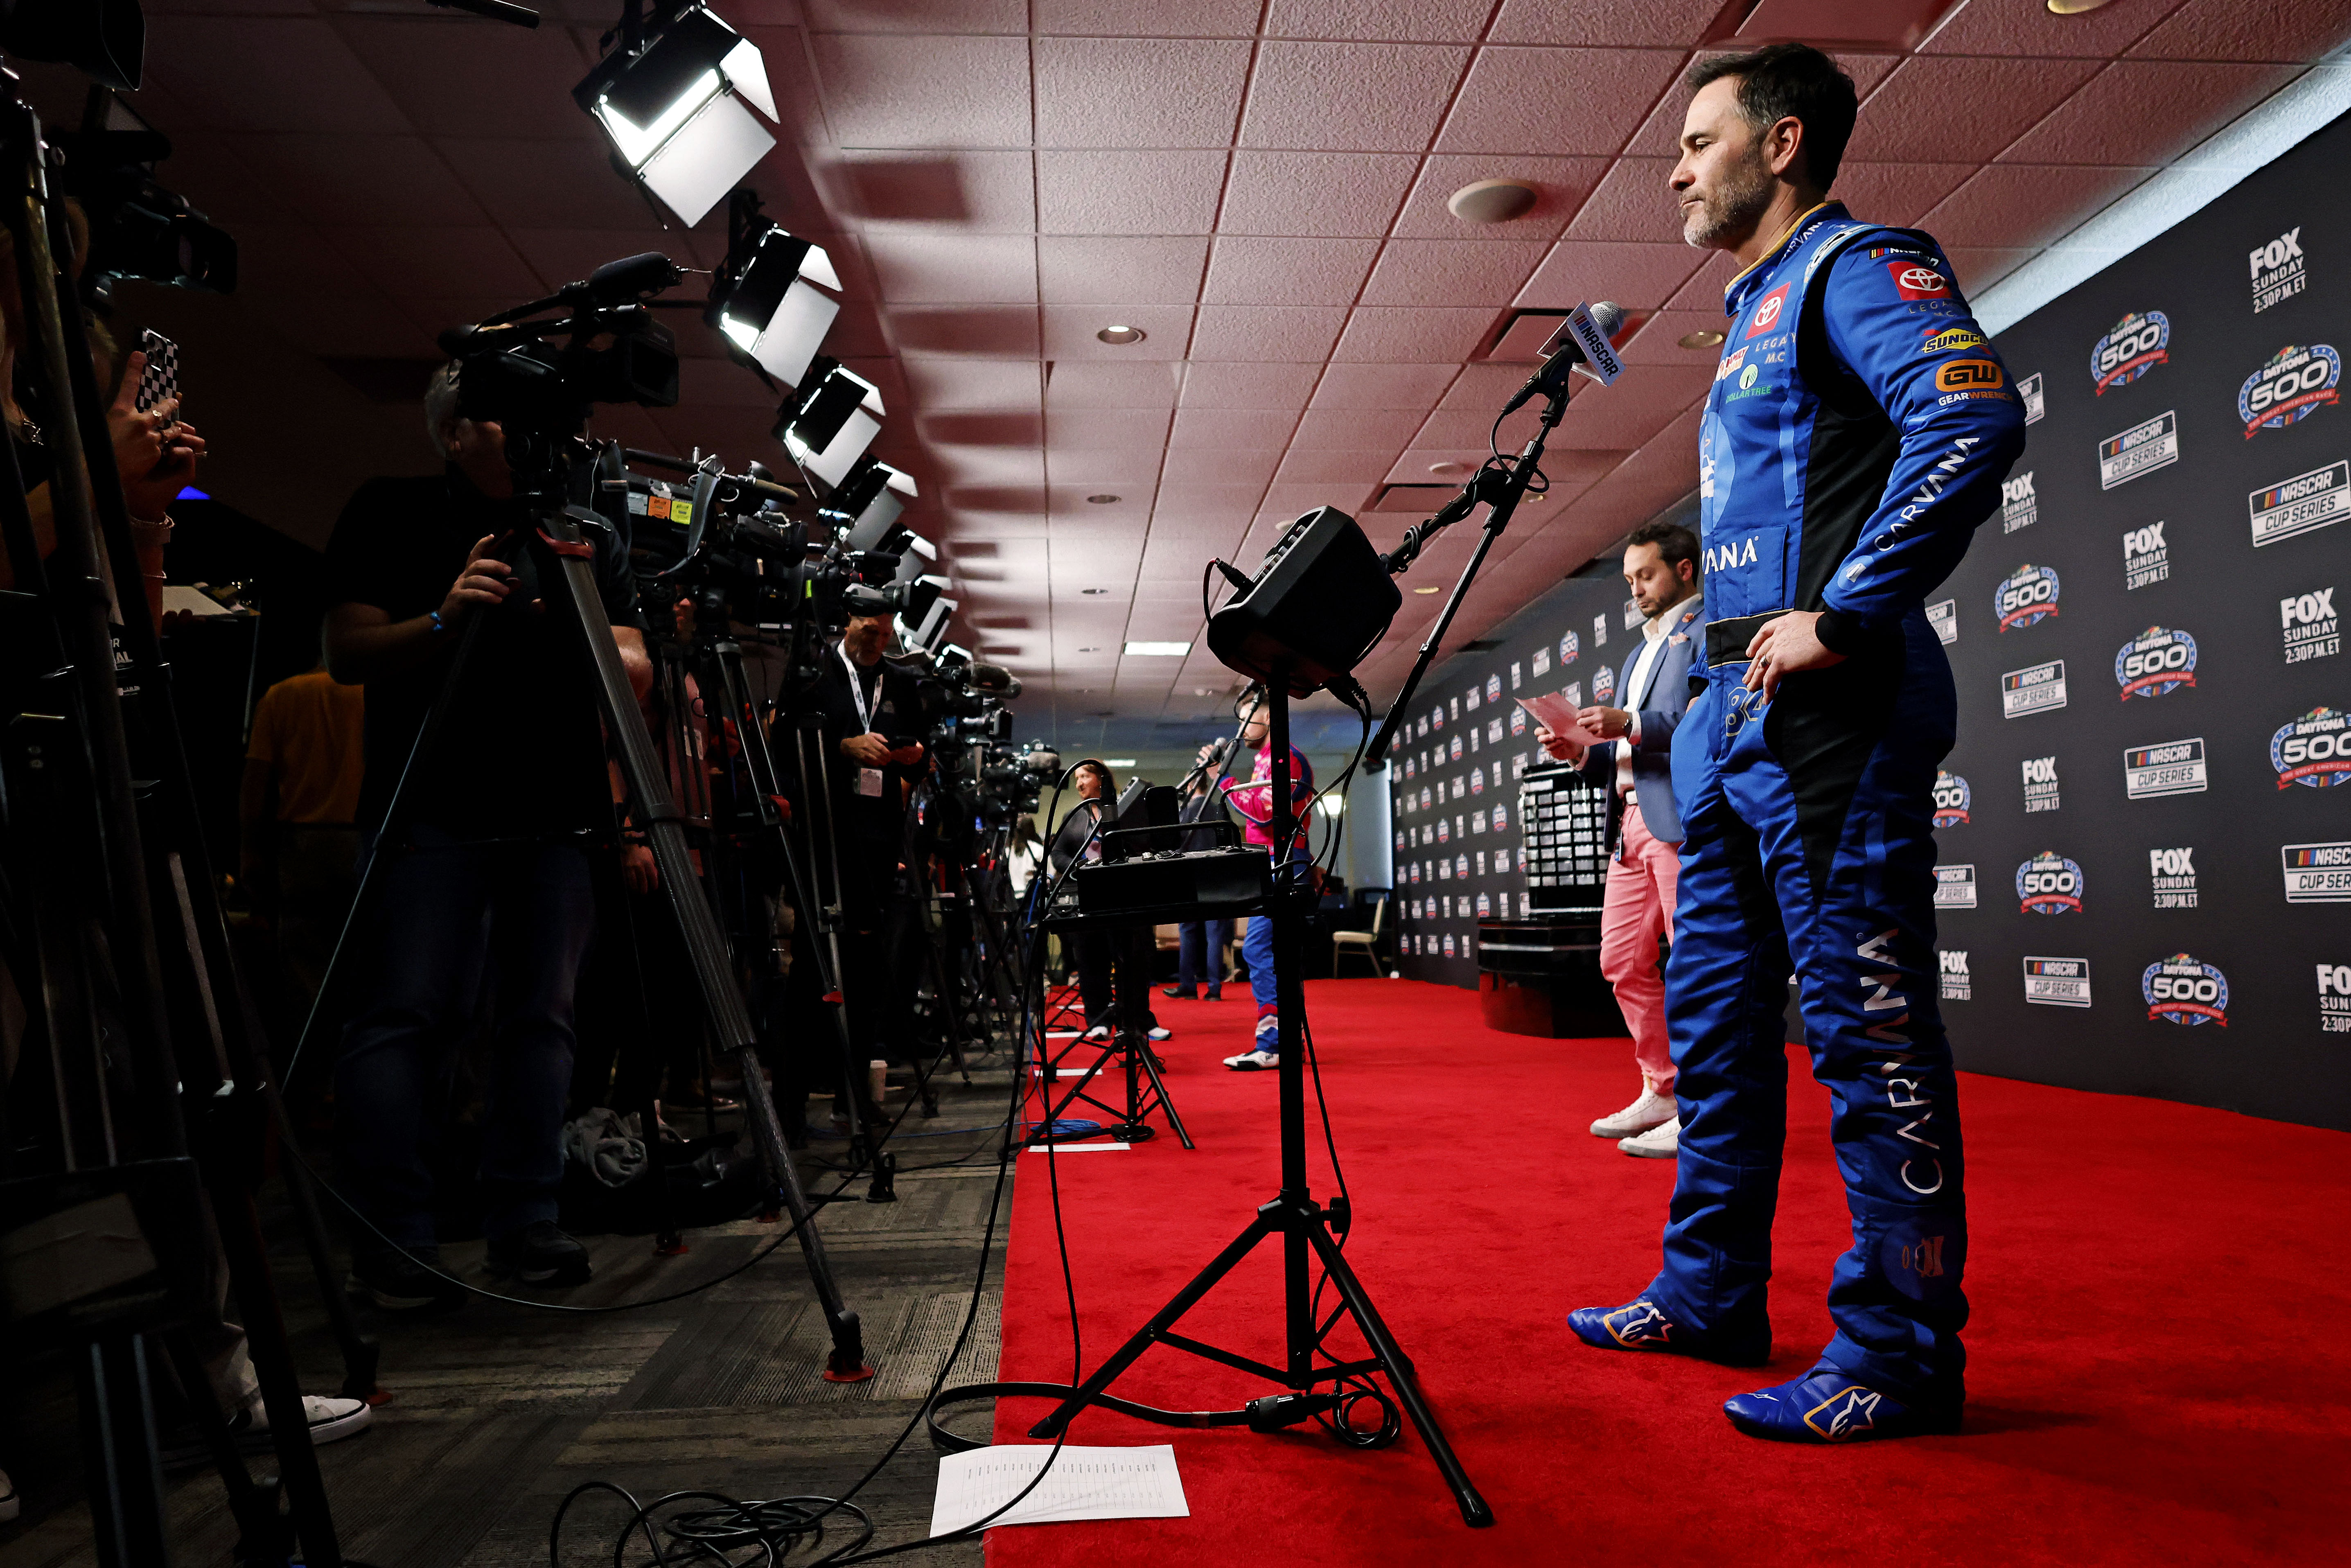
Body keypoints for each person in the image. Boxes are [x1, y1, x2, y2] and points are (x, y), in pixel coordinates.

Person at [1566, 44, 2026, 1446]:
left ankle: (1897, 1353)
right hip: (1729, 732)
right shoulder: (1751, 305)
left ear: (1778, 145)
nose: (1673, 168)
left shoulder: (1856, 265)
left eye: (1697, 142)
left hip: (1835, 718)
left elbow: (1971, 416)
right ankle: (1708, 1291)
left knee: (1861, 1030)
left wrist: (1845, 611)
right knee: (1709, 1034)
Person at [323, 362, 654, 1304]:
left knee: (540, 1018)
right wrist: (445, 616)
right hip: (431, 803)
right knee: (406, 1014)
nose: (526, 434)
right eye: (505, 418)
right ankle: (396, 1239)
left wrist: (565, 628)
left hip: (555, 810)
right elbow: (346, 653)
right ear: (454, 430)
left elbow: (634, 668)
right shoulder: (389, 511)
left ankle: (527, 1221)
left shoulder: (582, 534)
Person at [1536, 522, 1706, 1158]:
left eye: (1647, 575)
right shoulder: (1638, 654)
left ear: (1685, 570)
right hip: (1628, 822)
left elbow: (1706, 724)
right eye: (1631, 579)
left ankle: (1703, 1105)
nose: (1637, 588)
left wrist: (1630, 721)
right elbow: (1624, 756)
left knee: (1692, 965)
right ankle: (1661, 1088)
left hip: (1680, 821)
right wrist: (1580, 754)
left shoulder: (1710, 632)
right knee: (1620, 961)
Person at [805, 609, 928, 1117]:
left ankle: (854, 1094)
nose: (878, 641)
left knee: (867, 974)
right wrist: (842, 747)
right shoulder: (814, 672)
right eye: (868, 631)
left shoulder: (900, 682)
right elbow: (786, 743)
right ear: (845, 621)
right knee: (814, 975)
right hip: (823, 834)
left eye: (885, 633)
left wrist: (910, 757)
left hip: (878, 840)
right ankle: (798, 1101)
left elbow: (923, 754)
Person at [240, 661, 367, 1038]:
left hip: (304, 845)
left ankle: (316, 1078)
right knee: (371, 961)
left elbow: (255, 783)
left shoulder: (282, 695)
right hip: (369, 838)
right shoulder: (376, 691)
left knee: (306, 966)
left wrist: (249, 852)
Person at [1207, 692, 1313, 1071]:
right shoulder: (1266, 761)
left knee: (1260, 952)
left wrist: (1224, 782)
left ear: (1267, 717)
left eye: (1246, 719)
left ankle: (1275, 1043)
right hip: (1270, 866)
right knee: (1273, 954)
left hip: (1284, 865)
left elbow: (1267, 815)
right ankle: (1285, 1041)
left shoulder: (1288, 758)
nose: (1241, 729)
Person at [1047, 760, 1165, 1048]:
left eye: (1084, 776)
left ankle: (1139, 1020)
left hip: (1125, 896)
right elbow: (1059, 853)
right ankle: (1098, 1020)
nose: (1079, 783)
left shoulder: (1124, 810)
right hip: (1087, 896)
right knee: (1091, 960)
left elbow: (1142, 843)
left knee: (1133, 960)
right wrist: (1080, 867)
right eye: (1076, 778)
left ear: (1101, 778)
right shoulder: (1073, 816)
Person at [1162, 774, 1229, 1001]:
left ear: (1190, 785)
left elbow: (1174, 844)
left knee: (1188, 933)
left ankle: (1188, 986)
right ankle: (1214, 989)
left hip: (1189, 879)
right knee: (1215, 936)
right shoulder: (1219, 809)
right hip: (1216, 879)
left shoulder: (1185, 813)